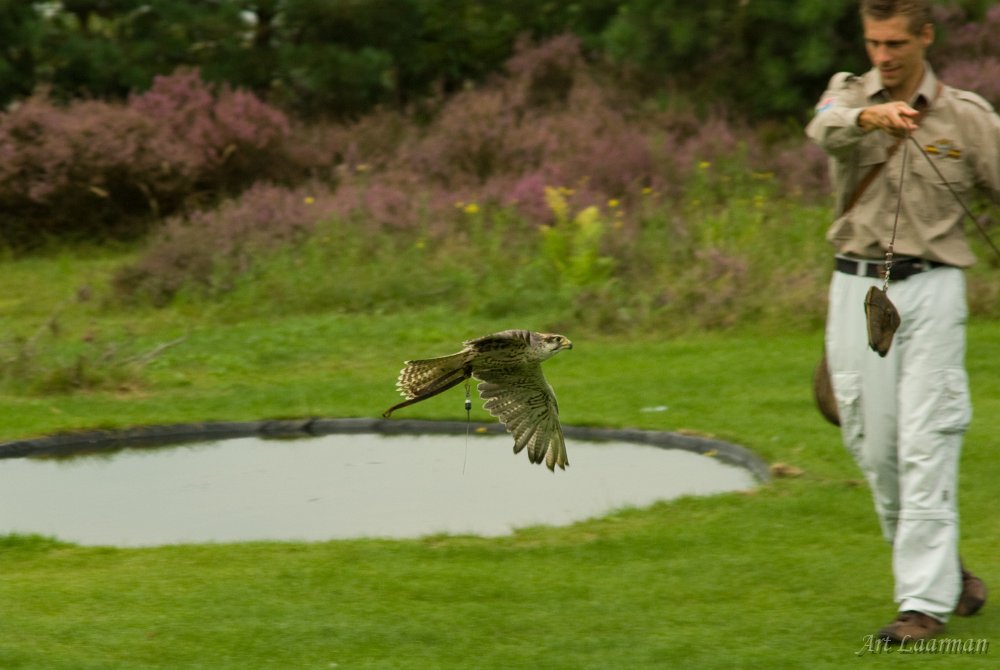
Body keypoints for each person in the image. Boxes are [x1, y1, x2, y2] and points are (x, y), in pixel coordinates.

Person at [806, 0, 998, 644]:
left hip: (934, 289)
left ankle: (922, 605)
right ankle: (945, 571)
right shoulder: (846, 95)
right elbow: (824, 128)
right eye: (873, 43)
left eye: (895, 43)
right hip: (856, 292)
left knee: (926, 440)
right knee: (872, 444)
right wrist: (871, 116)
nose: (882, 56)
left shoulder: (967, 117)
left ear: (926, 36)